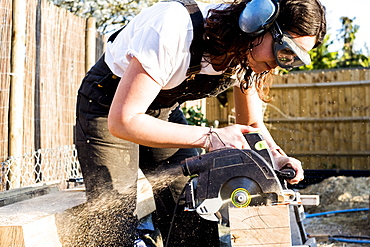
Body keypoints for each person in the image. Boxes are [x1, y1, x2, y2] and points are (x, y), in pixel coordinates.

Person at [75, 0, 326, 246]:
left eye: (293, 58)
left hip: (162, 111)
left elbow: (250, 122)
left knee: (191, 207)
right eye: (284, 50)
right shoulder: (174, 27)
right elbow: (124, 121)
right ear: (258, 22)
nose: (282, 62)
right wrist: (210, 136)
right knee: (114, 220)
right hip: (108, 108)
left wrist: (274, 157)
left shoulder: (247, 55)